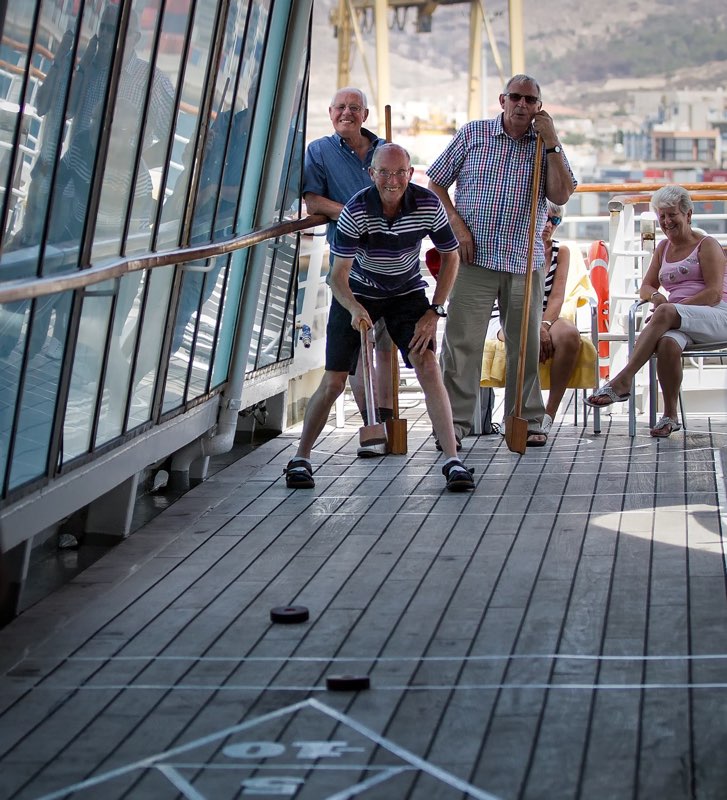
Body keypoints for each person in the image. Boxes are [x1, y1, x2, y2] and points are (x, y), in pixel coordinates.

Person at [285, 143, 474, 492]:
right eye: (384, 172)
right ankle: (301, 458)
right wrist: (355, 308)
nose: (393, 180)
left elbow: (451, 256)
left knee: (427, 363)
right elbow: (337, 277)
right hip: (357, 291)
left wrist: (434, 311)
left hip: (406, 292)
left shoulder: (428, 204)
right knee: (335, 380)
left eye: (400, 172)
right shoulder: (355, 210)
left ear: (410, 173)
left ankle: (452, 460)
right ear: (372, 174)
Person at [427, 74, 577, 448]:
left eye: (530, 99)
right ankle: (454, 424)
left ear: (539, 106)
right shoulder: (473, 134)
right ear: (502, 100)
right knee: (461, 344)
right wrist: (457, 227)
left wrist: (553, 143)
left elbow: (561, 194)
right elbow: (436, 184)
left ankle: (525, 420)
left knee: (524, 346)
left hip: (524, 259)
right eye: (515, 97)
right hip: (473, 258)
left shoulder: (545, 144)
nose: (522, 104)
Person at [585, 184, 727, 437]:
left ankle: (623, 379)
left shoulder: (707, 245)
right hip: (680, 319)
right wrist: (656, 296)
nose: (666, 221)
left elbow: (714, 293)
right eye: (662, 216)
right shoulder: (663, 248)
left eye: (672, 214)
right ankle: (670, 417)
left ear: (688, 215)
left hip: (715, 314)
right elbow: (646, 287)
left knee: (664, 314)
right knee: (667, 345)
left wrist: (671, 310)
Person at [303, 87, 393, 457]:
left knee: (387, 349)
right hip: (349, 264)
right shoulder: (319, 151)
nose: (347, 113)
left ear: (365, 115)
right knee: (359, 347)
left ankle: (388, 425)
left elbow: (399, 191)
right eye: (340, 107)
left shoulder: (385, 150)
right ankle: (373, 427)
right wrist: (356, 215)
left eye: (354, 108)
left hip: (391, 261)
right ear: (330, 112)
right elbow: (313, 201)